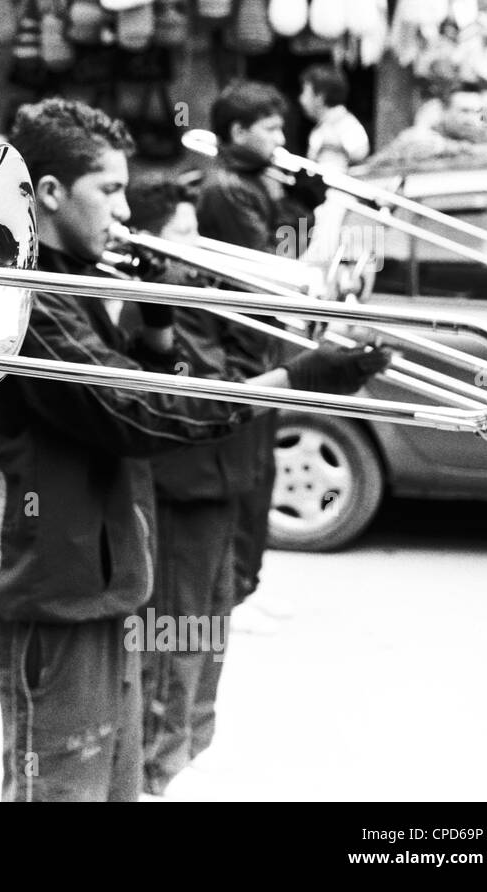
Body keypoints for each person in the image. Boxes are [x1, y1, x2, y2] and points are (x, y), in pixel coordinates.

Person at [0, 97, 388, 802]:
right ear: (47, 194)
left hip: (107, 590)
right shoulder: (28, 301)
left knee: (116, 790)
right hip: (55, 601)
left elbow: (130, 397)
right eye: (108, 191)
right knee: (63, 793)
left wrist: (156, 331)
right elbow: (136, 413)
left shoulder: (72, 287)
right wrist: (292, 379)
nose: (122, 210)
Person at [120, 175, 267, 797]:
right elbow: (196, 384)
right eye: (182, 232)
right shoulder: (146, 304)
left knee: (212, 619)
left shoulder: (202, 295)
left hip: (222, 478)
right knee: (175, 628)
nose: (197, 243)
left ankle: (192, 741)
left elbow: (246, 363)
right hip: (180, 485)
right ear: (151, 243)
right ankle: (158, 760)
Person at [195, 80, 311, 617]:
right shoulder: (226, 189)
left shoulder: (254, 181)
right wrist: (295, 211)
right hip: (241, 346)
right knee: (245, 474)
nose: (280, 138)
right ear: (238, 132)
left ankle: (242, 585)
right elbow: (268, 269)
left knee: (258, 472)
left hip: (260, 341)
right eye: (270, 129)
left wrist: (299, 205)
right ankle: (235, 589)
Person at [298, 64, 370, 173]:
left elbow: (359, 154)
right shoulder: (323, 127)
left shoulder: (347, 125)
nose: (301, 99)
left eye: (305, 92)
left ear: (320, 97)